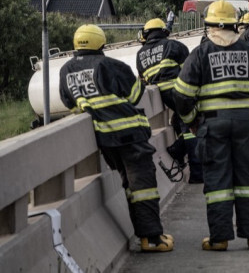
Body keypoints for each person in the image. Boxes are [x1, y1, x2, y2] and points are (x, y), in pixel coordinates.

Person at [173, 0, 249, 251]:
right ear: (235, 25)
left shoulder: (200, 54)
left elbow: (181, 95)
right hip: (246, 126)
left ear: (209, 26)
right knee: (248, 181)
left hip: (213, 127)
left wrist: (192, 122)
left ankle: (219, 239)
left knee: (218, 183)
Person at [59, 24, 174, 252]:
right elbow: (135, 94)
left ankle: (145, 236)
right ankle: (152, 239)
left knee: (130, 186)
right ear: (100, 43)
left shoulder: (65, 71)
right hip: (130, 134)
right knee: (143, 186)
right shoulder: (110, 65)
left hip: (106, 140)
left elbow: (69, 103)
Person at [136, 18, 202, 183]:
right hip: (180, 91)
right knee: (192, 126)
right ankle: (194, 169)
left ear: (146, 34)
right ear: (164, 31)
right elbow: (189, 70)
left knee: (179, 120)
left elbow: (143, 79)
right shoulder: (174, 46)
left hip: (163, 95)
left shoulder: (140, 54)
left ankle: (178, 153)